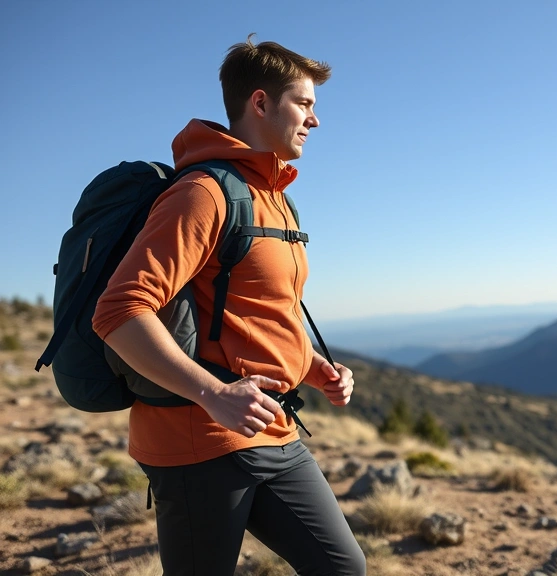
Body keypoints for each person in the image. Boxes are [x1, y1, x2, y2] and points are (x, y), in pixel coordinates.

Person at [92, 36, 366, 576]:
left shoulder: (274, 196)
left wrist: (314, 369)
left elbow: (257, 313)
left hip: (272, 429)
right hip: (199, 442)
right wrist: (212, 393)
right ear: (260, 103)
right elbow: (119, 311)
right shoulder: (204, 193)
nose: (315, 120)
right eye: (305, 104)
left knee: (343, 567)